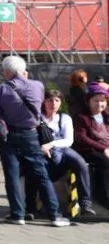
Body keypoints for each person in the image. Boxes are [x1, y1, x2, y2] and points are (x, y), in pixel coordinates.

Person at [0, 55, 70, 228]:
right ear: (24, 71)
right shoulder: (38, 85)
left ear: (6, 72)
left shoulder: (2, 88)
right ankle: (55, 215)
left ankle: (17, 215)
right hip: (31, 135)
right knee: (41, 175)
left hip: (8, 136)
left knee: (12, 175)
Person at [29, 89, 94, 218]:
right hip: (41, 149)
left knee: (80, 163)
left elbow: (68, 140)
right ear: (44, 102)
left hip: (61, 148)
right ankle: (33, 207)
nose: (53, 103)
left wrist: (52, 144)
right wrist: (41, 147)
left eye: (57, 100)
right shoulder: (37, 117)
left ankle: (85, 203)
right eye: (50, 100)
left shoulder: (64, 118)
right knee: (34, 168)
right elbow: (31, 136)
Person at [73, 82, 109, 209]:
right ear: (88, 101)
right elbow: (81, 138)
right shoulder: (81, 117)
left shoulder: (106, 116)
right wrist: (104, 149)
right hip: (90, 150)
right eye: (96, 100)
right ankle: (104, 198)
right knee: (105, 163)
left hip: (106, 149)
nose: (100, 104)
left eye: (103, 101)